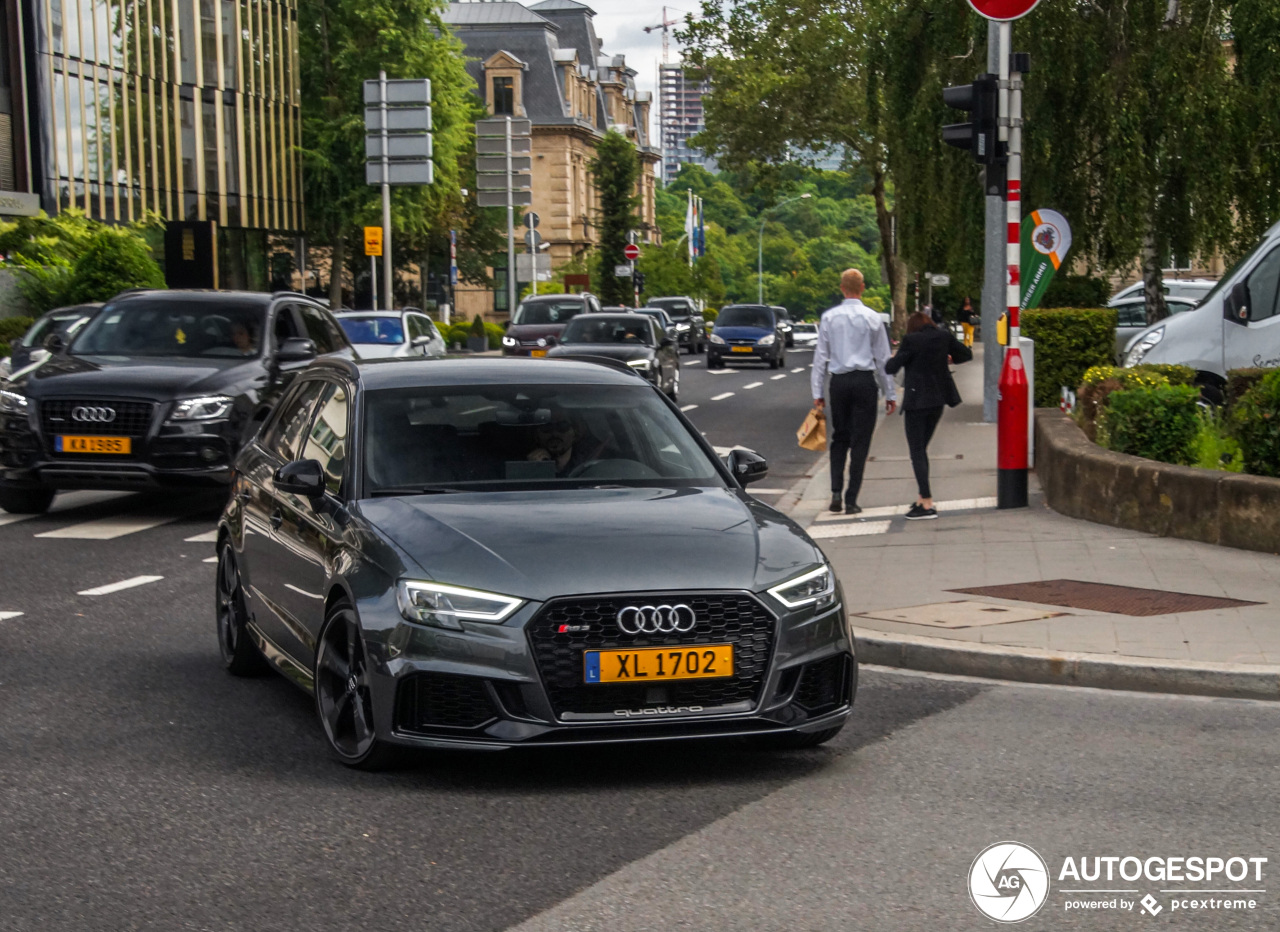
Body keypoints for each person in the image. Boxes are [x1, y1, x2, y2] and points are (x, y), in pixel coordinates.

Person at [811, 268, 897, 515]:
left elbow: (820, 359)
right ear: (863, 288)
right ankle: (851, 499)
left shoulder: (829, 318)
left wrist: (818, 392)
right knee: (861, 441)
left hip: (839, 382)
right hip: (864, 382)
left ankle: (835, 491)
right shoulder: (872, 318)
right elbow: (882, 360)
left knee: (840, 437)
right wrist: (889, 393)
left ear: (841, 288)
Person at [884, 311, 973, 519]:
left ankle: (927, 503)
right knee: (921, 449)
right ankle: (921, 499)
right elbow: (966, 354)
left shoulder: (910, 340)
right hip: (938, 401)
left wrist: (895, 356)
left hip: (916, 403)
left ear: (912, 327)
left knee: (916, 451)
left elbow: (891, 368)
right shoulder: (943, 336)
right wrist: (948, 360)